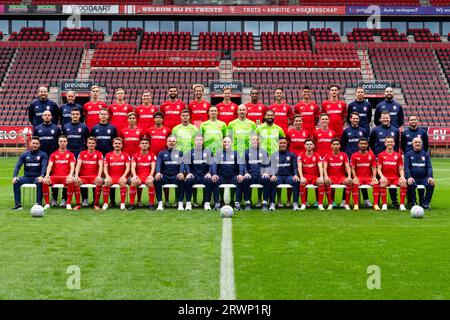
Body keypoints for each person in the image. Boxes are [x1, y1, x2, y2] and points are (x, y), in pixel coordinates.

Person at [341, 112, 371, 207]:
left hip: (362, 159)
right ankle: (344, 200)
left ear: (359, 119)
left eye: (356, 118)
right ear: (350, 119)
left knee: (362, 178)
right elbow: (342, 145)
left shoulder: (363, 130)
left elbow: (366, 144)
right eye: (353, 118)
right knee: (349, 180)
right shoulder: (346, 131)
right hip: (350, 159)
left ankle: (366, 200)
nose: (355, 120)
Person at [33, 111, 61, 207]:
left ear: (51, 117)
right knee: (42, 178)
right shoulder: (37, 128)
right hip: (41, 157)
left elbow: (59, 142)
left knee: (54, 177)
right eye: (45, 115)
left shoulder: (56, 128)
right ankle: (40, 200)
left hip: (54, 157)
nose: (47, 117)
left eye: (49, 115)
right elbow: (35, 142)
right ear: (42, 117)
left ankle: (54, 199)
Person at [12, 137, 48, 210]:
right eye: (33, 143)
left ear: (39, 145)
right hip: (27, 177)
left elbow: (44, 166)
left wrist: (42, 176)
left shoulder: (43, 154)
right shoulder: (24, 154)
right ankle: (18, 205)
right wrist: (15, 176)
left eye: (36, 144)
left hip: (37, 177)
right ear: (30, 144)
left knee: (40, 181)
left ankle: (39, 203)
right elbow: (18, 166)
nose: (35, 145)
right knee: (16, 182)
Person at [42, 136, 76, 210]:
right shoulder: (53, 154)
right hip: (55, 177)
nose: (62, 143)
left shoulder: (70, 154)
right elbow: (50, 165)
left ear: (67, 143)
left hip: (65, 177)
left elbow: (72, 166)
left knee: (71, 181)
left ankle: (68, 203)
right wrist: (47, 175)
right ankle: (47, 203)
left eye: (64, 141)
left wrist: (70, 175)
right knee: (45, 181)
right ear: (58, 142)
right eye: (61, 141)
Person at [211, 136, 246, 211]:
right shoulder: (218, 153)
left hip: (233, 177)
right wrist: (214, 174)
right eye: (224, 142)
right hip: (222, 177)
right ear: (222, 143)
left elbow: (241, 164)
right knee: (215, 180)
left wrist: (240, 174)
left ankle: (237, 202)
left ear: (231, 143)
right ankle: (217, 203)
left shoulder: (236, 153)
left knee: (240, 180)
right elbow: (214, 165)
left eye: (228, 142)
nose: (226, 143)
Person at [266, 137, 300, 211]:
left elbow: (295, 167)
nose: (282, 145)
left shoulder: (292, 155)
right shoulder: (273, 155)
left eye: (284, 143)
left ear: (287, 144)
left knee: (296, 181)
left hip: (289, 176)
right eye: (281, 143)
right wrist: (272, 175)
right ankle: (272, 203)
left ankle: (295, 203)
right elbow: (271, 167)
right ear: (278, 144)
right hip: (278, 177)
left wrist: (295, 175)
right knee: (272, 181)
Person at [154, 136, 186, 211]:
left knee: (182, 180)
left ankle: (180, 203)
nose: (171, 143)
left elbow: (182, 164)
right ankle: (160, 203)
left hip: (175, 176)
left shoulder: (180, 153)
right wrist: (158, 172)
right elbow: (158, 163)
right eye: (170, 141)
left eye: (173, 141)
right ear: (167, 143)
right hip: (165, 176)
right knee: (157, 180)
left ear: (176, 143)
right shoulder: (161, 153)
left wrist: (181, 172)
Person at [184, 134, 216, 210]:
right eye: (197, 140)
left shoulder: (208, 152)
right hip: (194, 175)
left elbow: (212, 164)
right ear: (194, 141)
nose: (199, 141)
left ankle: (207, 203)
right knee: (188, 180)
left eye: (201, 140)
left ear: (203, 141)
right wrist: (188, 173)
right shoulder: (190, 152)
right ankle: (188, 203)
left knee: (209, 181)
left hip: (204, 175)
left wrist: (209, 173)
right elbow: (186, 164)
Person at [377, 136, 407, 211]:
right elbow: (379, 168)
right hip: (386, 178)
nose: (390, 143)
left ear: (394, 143)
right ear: (385, 143)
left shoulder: (398, 155)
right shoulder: (381, 155)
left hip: (395, 178)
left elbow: (400, 168)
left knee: (403, 183)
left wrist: (402, 176)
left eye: (391, 142)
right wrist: (382, 177)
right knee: (383, 183)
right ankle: (384, 204)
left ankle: (402, 205)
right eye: (388, 142)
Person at [73, 137, 104, 210]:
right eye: (89, 143)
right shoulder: (82, 153)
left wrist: (99, 176)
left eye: (93, 143)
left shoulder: (99, 154)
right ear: (87, 144)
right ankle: (78, 204)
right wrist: (76, 176)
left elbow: (101, 165)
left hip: (94, 177)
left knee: (99, 181)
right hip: (84, 177)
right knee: (76, 181)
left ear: (96, 144)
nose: (91, 144)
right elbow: (78, 165)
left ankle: (96, 203)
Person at [404, 137, 435, 210]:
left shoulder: (426, 154)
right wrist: (408, 177)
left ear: (422, 144)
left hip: (424, 178)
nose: (418, 143)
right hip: (413, 178)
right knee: (409, 183)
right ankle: (413, 202)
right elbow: (406, 167)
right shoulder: (408, 154)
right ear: (413, 144)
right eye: (416, 142)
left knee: (431, 183)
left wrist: (430, 177)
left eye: (419, 142)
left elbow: (429, 167)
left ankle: (425, 203)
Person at [350, 138, 380, 211]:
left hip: (368, 178)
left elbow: (374, 167)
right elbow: (352, 168)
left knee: (376, 183)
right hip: (359, 178)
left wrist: (374, 177)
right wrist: (355, 177)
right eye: (361, 143)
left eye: (365, 143)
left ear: (367, 145)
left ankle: (375, 204)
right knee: (355, 183)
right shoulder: (354, 155)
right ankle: (356, 204)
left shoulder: (371, 155)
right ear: (358, 145)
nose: (363, 145)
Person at [242, 134, 271, 211]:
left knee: (267, 179)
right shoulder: (246, 151)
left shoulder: (264, 152)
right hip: (251, 175)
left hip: (261, 175)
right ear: (250, 141)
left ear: (260, 141)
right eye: (254, 140)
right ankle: (247, 202)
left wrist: (266, 173)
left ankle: (264, 202)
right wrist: (246, 173)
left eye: (257, 140)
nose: (256, 141)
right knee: (246, 179)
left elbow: (268, 164)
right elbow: (244, 164)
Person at [323, 138, 352, 211]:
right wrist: (326, 176)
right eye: (334, 144)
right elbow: (325, 167)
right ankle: (330, 203)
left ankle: (346, 204)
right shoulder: (327, 155)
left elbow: (347, 166)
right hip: (331, 177)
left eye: (337, 144)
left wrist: (349, 176)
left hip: (341, 177)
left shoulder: (344, 155)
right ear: (331, 146)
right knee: (327, 182)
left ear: (340, 146)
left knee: (349, 182)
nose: (335, 146)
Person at [102, 137, 130, 211]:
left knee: (123, 182)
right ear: (113, 145)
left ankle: (122, 204)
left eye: (119, 144)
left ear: (122, 145)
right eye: (116, 143)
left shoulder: (126, 155)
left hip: (121, 176)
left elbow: (128, 167)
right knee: (107, 182)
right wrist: (107, 176)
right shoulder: (108, 155)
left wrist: (124, 176)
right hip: (111, 176)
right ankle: (105, 203)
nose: (117, 145)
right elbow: (105, 167)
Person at [128, 138, 157, 210]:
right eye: (142, 143)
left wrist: (151, 175)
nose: (144, 145)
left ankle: (151, 204)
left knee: (150, 182)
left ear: (149, 145)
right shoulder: (135, 155)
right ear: (139, 145)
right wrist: (134, 176)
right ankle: (131, 204)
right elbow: (133, 167)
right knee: (134, 182)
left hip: (148, 175)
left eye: (146, 143)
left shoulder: (152, 155)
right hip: (139, 176)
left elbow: (153, 167)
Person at [297, 139, 324, 210]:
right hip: (305, 176)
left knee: (321, 182)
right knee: (302, 182)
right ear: (304, 146)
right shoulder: (300, 155)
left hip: (314, 177)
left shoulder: (317, 155)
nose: (309, 146)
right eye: (307, 144)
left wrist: (321, 177)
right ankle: (303, 204)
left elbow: (320, 166)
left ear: (313, 146)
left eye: (310, 144)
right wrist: (301, 177)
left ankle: (320, 204)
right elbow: (299, 167)